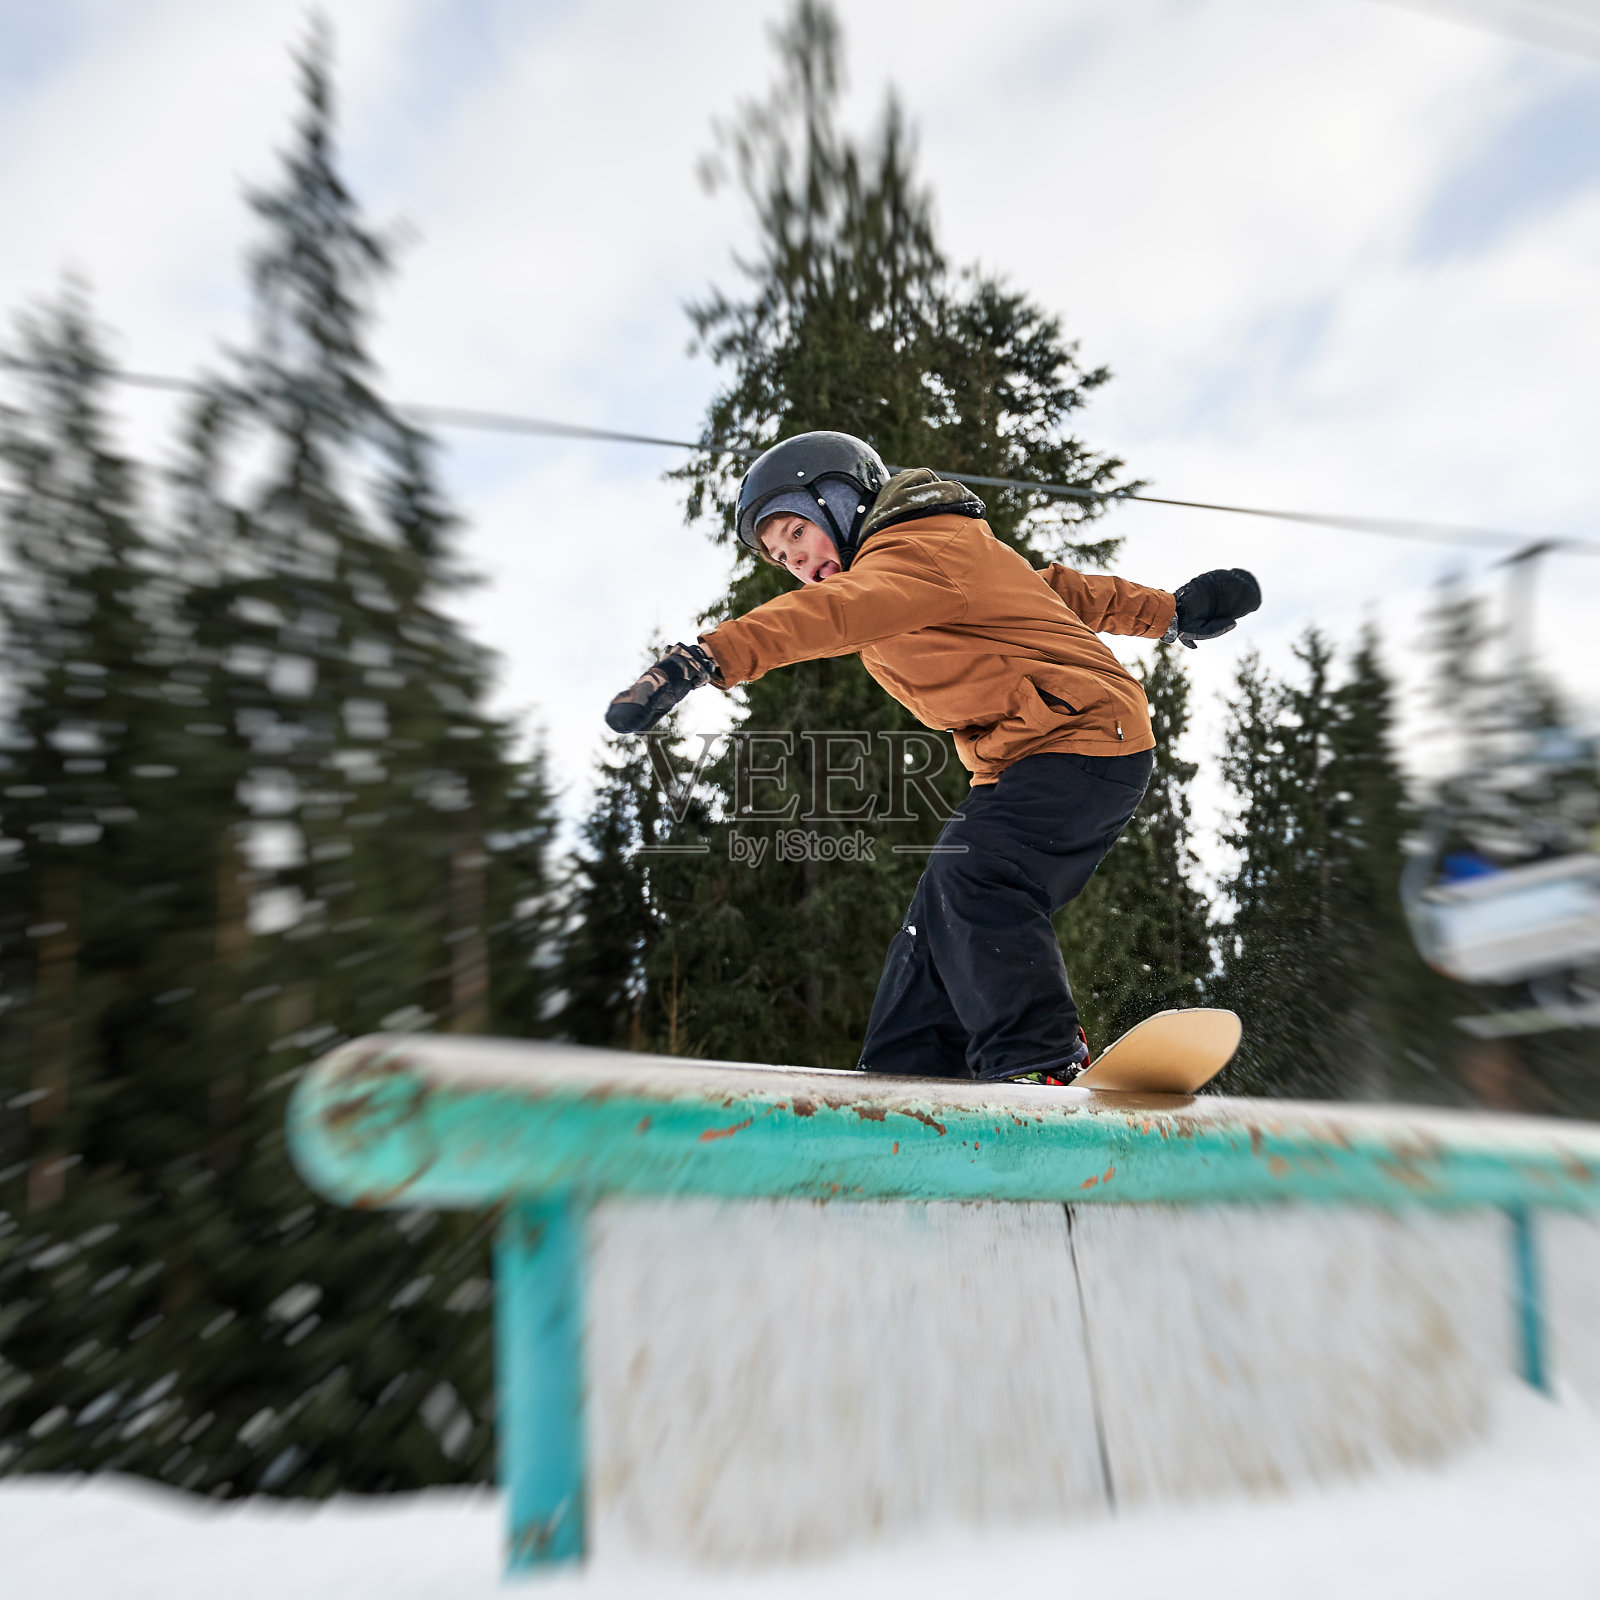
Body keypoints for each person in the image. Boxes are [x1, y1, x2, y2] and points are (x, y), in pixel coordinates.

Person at [605, 430, 1259, 1084]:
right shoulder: (929, 559)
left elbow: (829, 614)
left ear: (839, 498)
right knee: (933, 926)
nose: (796, 562)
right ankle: (908, 1080)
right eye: (780, 557)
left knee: (973, 877)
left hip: (1083, 738)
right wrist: (1171, 612)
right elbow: (1062, 592)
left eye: (796, 534)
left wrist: (706, 659)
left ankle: (1039, 1061)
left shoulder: (914, 554)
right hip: (1025, 760)